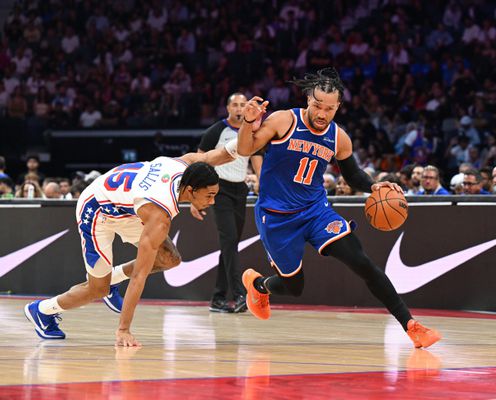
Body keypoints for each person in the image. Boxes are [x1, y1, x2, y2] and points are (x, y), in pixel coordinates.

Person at [237, 68, 441, 349]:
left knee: (362, 262)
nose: (322, 114)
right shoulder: (284, 120)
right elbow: (246, 150)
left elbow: (353, 174)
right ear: (308, 99)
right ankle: (259, 286)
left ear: (338, 107)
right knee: (294, 287)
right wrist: (248, 123)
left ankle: (411, 326)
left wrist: (375, 186)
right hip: (276, 217)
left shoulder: (338, 137)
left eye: (329, 109)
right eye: (318, 106)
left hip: (315, 212)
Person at [24, 144, 237, 346]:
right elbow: (139, 276)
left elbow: (219, 154)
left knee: (169, 259)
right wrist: (123, 329)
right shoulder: (160, 215)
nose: (212, 201)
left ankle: (112, 280)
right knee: (97, 289)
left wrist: (248, 126)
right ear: (190, 190)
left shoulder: (183, 165)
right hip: (97, 210)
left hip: (128, 207)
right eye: (210, 195)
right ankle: (42, 310)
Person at [198, 92, 263, 314]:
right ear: (228, 108)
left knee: (230, 244)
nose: (239, 108)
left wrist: (261, 181)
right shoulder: (216, 130)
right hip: (220, 189)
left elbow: (256, 157)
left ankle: (217, 298)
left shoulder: (250, 131)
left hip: (240, 189)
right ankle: (239, 294)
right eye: (235, 104)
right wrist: (198, 197)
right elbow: (199, 159)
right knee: (230, 240)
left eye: (243, 105)